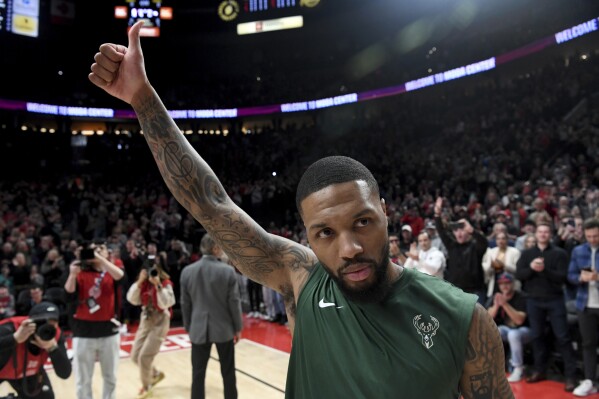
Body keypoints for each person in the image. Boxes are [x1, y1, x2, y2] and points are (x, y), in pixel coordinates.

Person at [87, 22, 512, 398]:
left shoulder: (462, 319)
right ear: (307, 236)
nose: (348, 248)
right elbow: (211, 204)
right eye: (324, 232)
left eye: (361, 222)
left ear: (385, 213)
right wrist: (143, 99)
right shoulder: (301, 279)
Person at [515, 222, 577, 392]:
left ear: (550, 234)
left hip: (554, 299)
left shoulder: (559, 253)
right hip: (534, 300)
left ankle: (571, 376)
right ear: (535, 234)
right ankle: (539, 370)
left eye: (545, 232)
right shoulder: (527, 253)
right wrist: (531, 268)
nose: (542, 234)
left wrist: (543, 270)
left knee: (563, 337)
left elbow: (563, 278)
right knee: (536, 336)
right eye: (540, 232)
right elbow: (519, 275)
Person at [179, 233, 243, 399]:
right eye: (221, 246)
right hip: (224, 329)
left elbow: (185, 304)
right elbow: (234, 303)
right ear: (215, 248)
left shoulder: (187, 271)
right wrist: (238, 328)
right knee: (228, 373)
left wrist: (188, 326)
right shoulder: (228, 271)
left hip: (198, 328)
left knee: (198, 375)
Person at [64, 243, 124, 399]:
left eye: (100, 249)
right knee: (83, 380)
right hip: (83, 332)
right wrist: (72, 274)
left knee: (110, 377)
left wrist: (99, 258)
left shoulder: (111, 271)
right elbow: (68, 295)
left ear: (107, 253)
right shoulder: (79, 271)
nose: (96, 252)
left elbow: (121, 276)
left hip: (109, 331)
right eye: (92, 249)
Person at [127, 254, 175, 399]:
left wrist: (158, 285)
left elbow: (167, 303)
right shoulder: (143, 283)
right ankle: (155, 374)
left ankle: (147, 386)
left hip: (160, 321)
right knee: (135, 356)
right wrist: (140, 281)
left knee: (144, 357)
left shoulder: (165, 282)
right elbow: (132, 299)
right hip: (145, 318)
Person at [0, 301, 71, 398]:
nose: (46, 328)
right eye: (43, 323)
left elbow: (65, 373)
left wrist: (52, 348)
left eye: (53, 323)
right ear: (31, 322)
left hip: (28, 372)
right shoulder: (11, 328)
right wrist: (14, 339)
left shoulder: (54, 334)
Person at [434, 197, 489, 304]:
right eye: (456, 230)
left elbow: (484, 242)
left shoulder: (475, 246)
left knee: (477, 320)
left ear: (468, 231)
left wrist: (472, 230)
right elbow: (441, 232)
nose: (459, 233)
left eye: (462, 230)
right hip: (455, 291)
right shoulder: (452, 245)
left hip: (475, 291)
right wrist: (437, 214)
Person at [567, 218, 599, 396]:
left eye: (595, 236)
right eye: (589, 236)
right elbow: (570, 275)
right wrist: (581, 277)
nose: (593, 239)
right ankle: (589, 380)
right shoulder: (578, 251)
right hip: (585, 303)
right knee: (587, 344)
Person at [486, 272, 531, 383]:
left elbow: (519, 320)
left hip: (525, 331)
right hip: (507, 330)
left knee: (513, 334)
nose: (504, 286)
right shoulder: (496, 297)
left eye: (507, 283)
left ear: (513, 284)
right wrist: (496, 305)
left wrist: (505, 304)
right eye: (501, 284)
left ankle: (518, 368)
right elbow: (486, 320)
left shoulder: (521, 297)